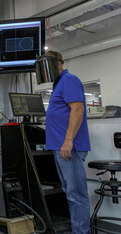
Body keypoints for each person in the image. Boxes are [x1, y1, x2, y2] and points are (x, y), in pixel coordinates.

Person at [43, 51, 91, 234]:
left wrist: (68, 141)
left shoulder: (69, 80)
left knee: (76, 195)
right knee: (71, 194)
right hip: (61, 148)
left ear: (59, 64)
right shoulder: (59, 84)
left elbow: (78, 110)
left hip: (69, 148)